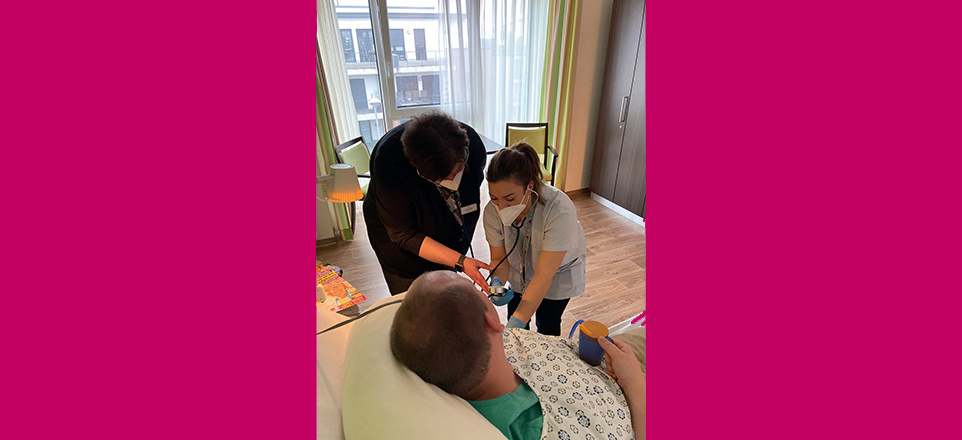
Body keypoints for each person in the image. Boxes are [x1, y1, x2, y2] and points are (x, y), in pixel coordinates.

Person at [390, 271, 646, 440]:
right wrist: (634, 381)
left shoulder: (469, 357)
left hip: (605, 366)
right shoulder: (531, 429)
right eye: (477, 291)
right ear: (491, 321)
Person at [363, 111, 492, 295]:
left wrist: (457, 259)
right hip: (403, 253)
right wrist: (460, 261)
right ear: (421, 172)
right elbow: (405, 235)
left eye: (457, 171)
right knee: (414, 303)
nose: (451, 181)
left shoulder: (472, 145)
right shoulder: (390, 165)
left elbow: (471, 191)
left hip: (451, 240)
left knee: (446, 294)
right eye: (441, 179)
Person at [483, 142, 588, 335]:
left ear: (529, 186)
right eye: (494, 198)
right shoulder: (492, 211)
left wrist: (515, 324)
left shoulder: (558, 209)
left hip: (556, 274)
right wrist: (496, 283)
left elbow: (543, 275)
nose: (501, 207)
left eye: (510, 198)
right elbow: (499, 259)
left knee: (547, 323)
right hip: (520, 271)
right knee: (517, 321)